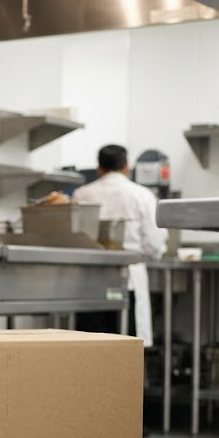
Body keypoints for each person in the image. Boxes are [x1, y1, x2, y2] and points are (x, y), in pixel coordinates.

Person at [73, 144, 167, 346]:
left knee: (89, 349)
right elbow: (154, 243)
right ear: (126, 166)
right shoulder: (141, 195)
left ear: (99, 168)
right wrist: (152, 253)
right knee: (126, 348)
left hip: (88, 282)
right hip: (128, 280)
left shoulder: (81, 195)